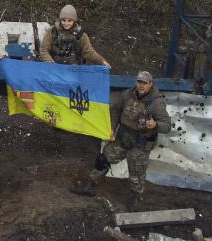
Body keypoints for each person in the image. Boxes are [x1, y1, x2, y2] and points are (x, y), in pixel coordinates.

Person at [70, 71, 170, 208]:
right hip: (123, 140)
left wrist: (155, 125)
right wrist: (112, 127)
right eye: (139, 82)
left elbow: (167, 126)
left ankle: (135, 199)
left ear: (150, 84)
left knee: (136, 174)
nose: (141, 85)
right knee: (103, 158)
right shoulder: (128, 95)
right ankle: (89, 185)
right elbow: (116, 110)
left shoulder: (156, 103)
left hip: (140, 145)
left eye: (144, 83)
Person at [40, 4, 111, 67]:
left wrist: (102, 61)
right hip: (54, 68)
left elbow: (89, 52)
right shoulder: (52, 31)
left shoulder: (80, 35)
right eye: (64, 20)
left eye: (69, 21)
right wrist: (51, 64)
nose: (66, 23)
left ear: (74, 21)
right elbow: (44, 50)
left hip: (73, 69)